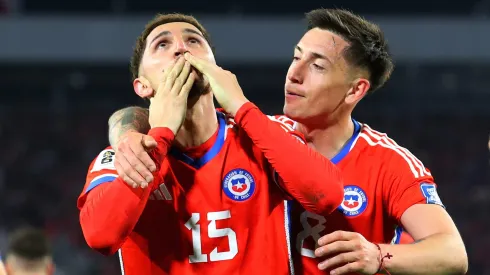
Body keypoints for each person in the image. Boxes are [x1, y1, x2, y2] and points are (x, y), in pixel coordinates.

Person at [111, 9, 469, 275]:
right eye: (296, 56)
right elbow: (156, 110)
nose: (293, 74)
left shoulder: (388, 162)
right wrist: (127, 132)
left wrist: (378, 255)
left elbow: (452, 253)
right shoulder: (262, 134)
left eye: (317, 66)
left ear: (355, 89)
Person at [78, 13, 345, 275]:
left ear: (217, 68)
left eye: (194, 41)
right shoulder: (125, 154)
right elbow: (101, 237)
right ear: (143, 86)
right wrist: (160, 135)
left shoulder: (263, 137)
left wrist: (242, 107)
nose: (182, 48)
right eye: (162, 44)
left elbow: (327, 196)